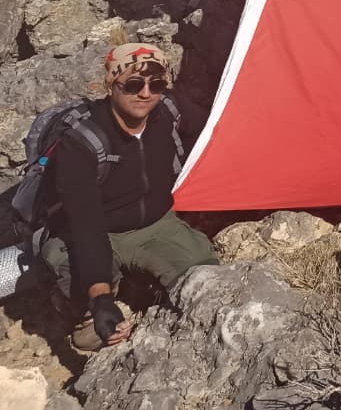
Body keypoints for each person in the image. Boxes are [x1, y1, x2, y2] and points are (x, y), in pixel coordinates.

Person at [37, 43, 215, 351]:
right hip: (94, 232)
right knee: (92, 325)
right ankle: (72, 306)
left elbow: (214, 134)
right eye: (133, 84)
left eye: (156, 84)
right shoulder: (81, 142)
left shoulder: (170, 111)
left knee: (207, 284)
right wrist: (100, 298)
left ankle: (138, 283)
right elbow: (86, 224)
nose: (145, 93)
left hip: (157, 225)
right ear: (111, 84)